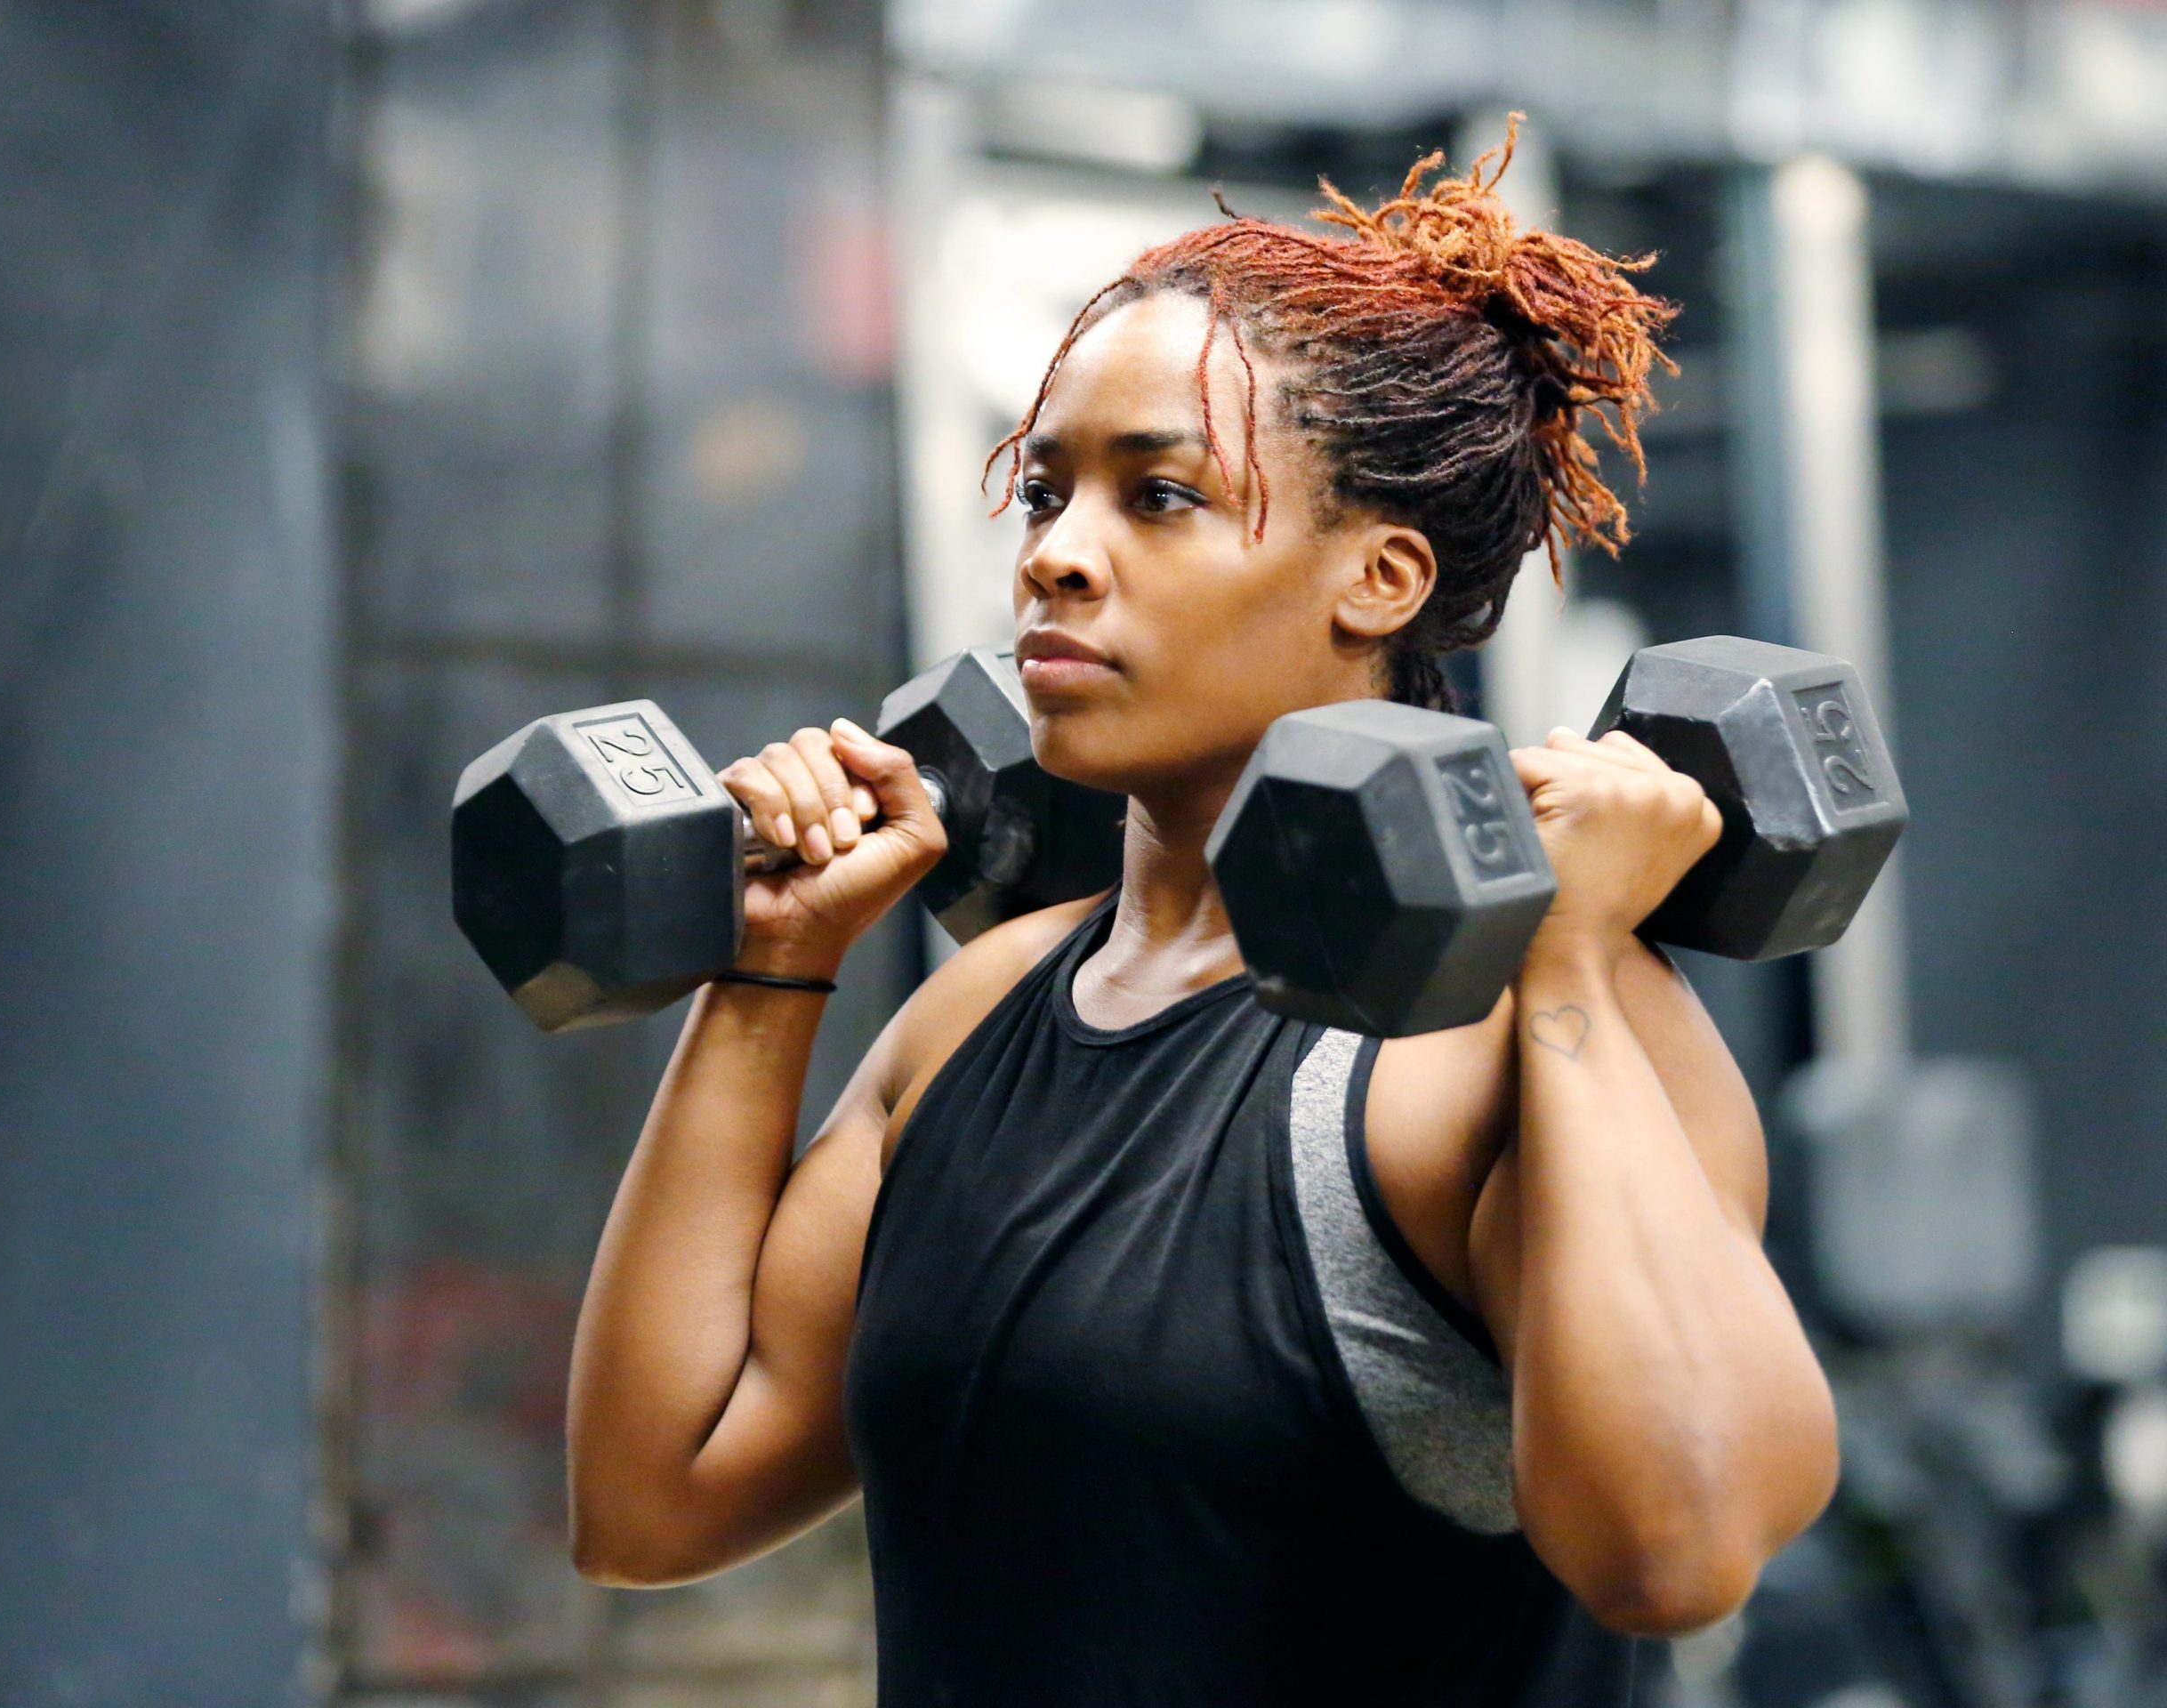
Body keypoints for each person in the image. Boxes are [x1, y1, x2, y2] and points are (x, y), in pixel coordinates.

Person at [566, 125, 1840, 1704]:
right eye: (1045, 490)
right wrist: (771, 972)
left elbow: (1680, 1550)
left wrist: (1573, 955)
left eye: (1157, 496)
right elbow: (653, 1496)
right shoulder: (976, 1012)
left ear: (1375, 578)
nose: (1055, 559)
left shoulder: (1504, 1026)